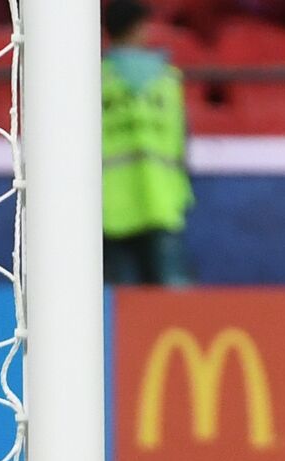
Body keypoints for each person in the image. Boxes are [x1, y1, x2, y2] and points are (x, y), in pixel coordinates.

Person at [101, 0, 194, 287]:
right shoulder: (167, 79)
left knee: (117, 302)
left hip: (109, 200)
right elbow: (181, 138)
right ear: (138, 29)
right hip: (160, 195)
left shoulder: (93, 79)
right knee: (171, 303)